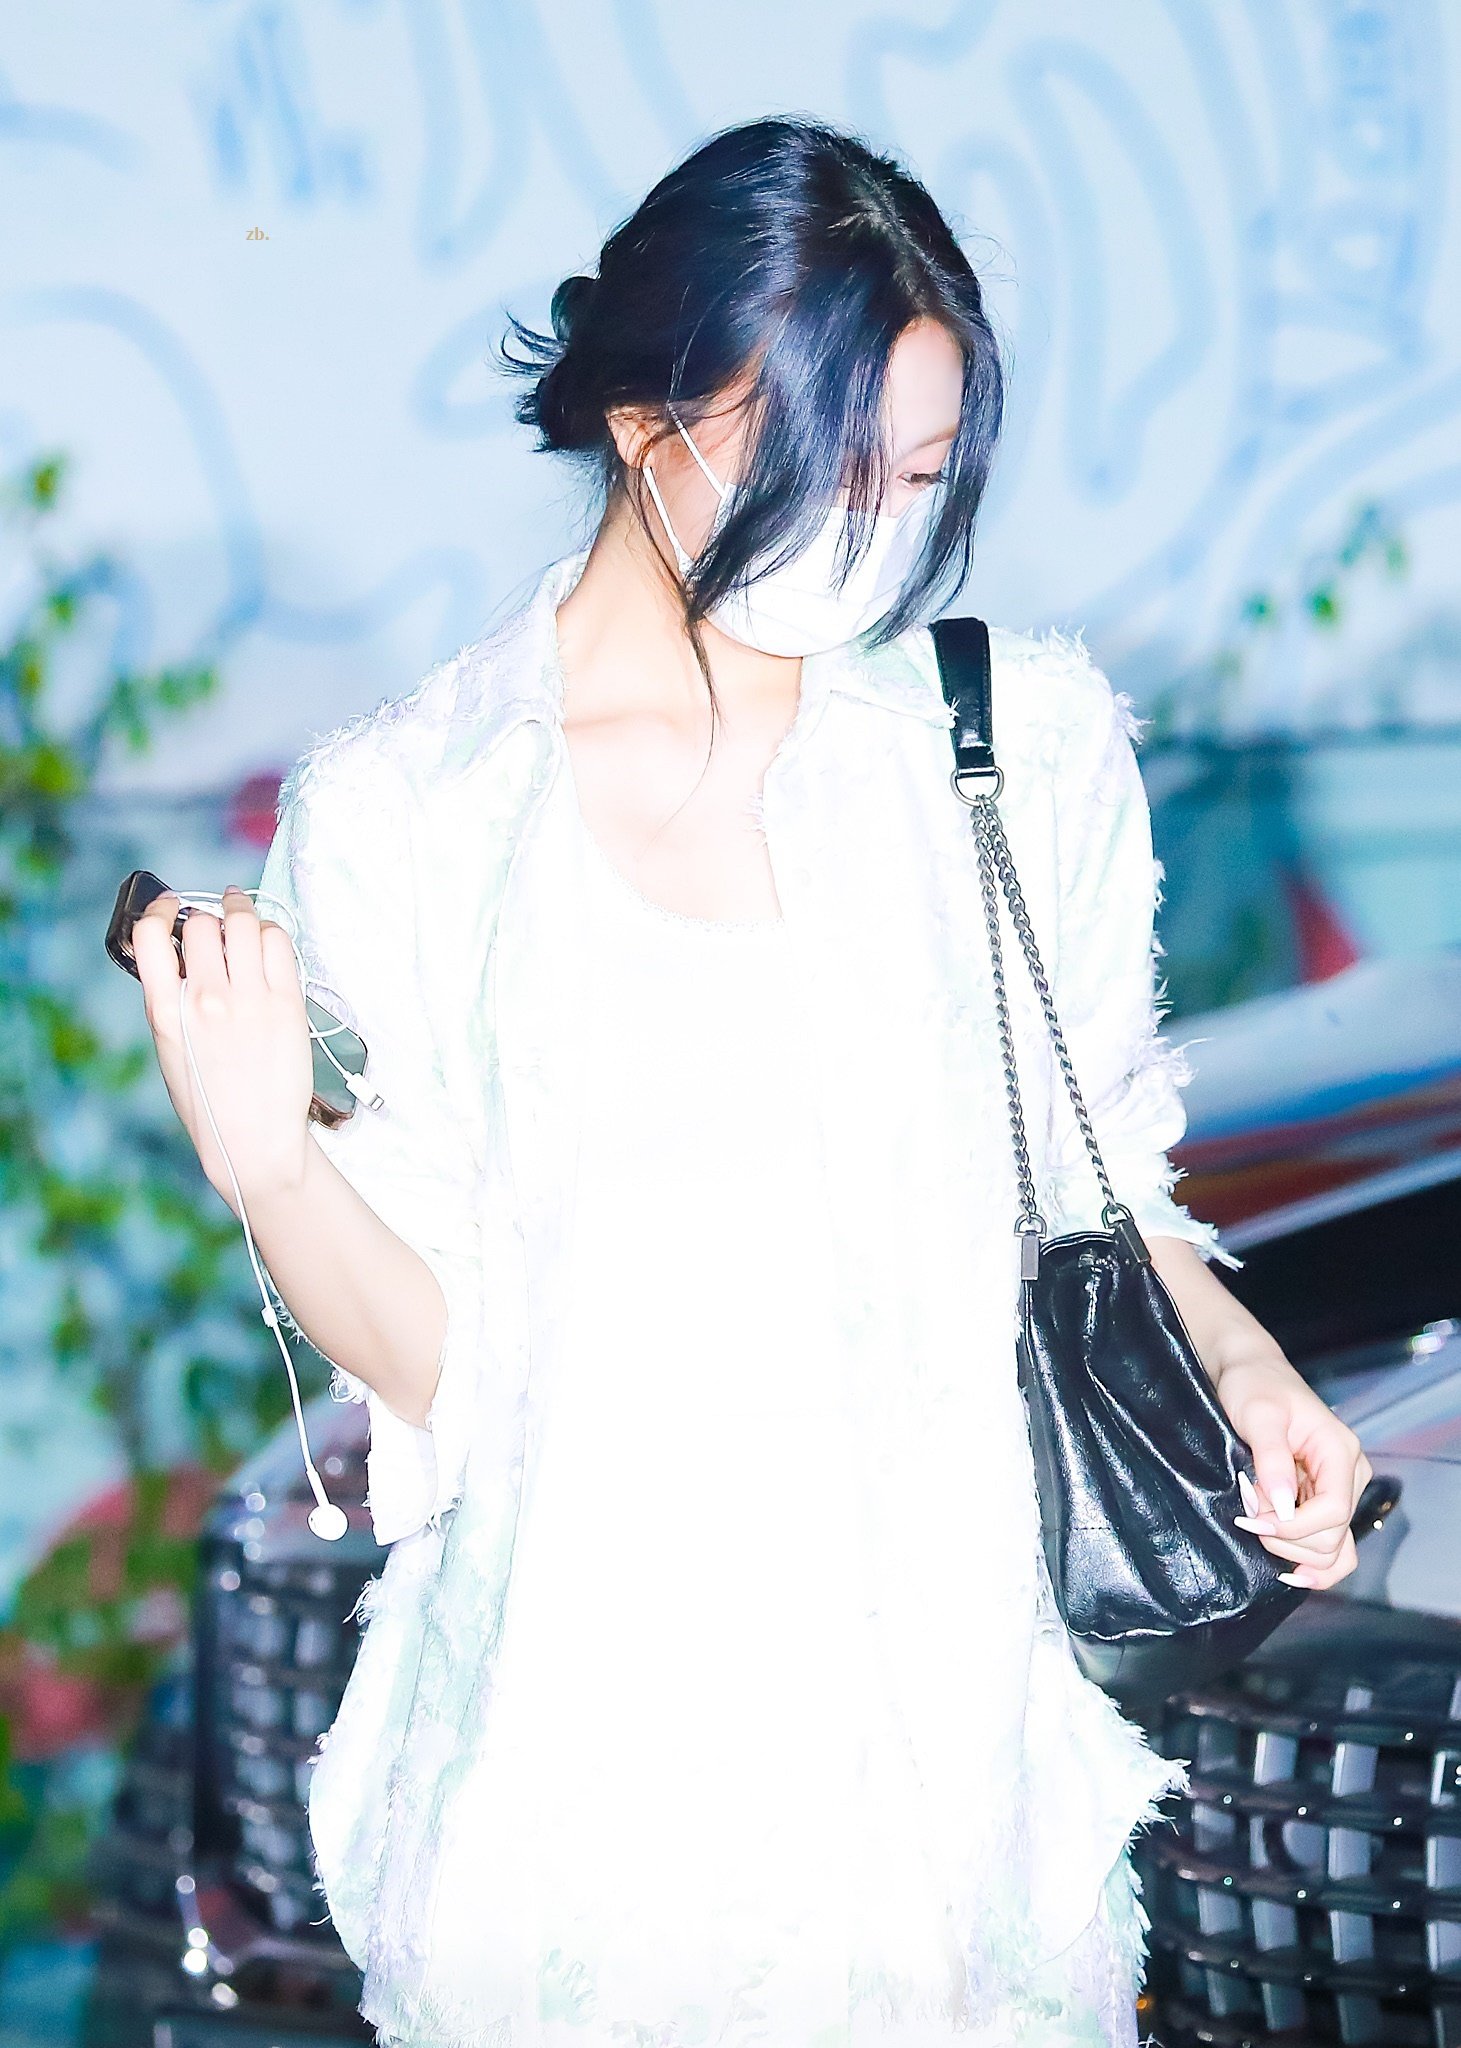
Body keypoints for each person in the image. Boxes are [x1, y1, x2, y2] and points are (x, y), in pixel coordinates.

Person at [134, 116, 1370, 2048]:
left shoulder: (1002, 745)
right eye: (829, 465)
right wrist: (270, 1168)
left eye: (921, 475)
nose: (874, 522)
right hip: (579, 1814)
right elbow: (453, 1369)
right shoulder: (416, 811)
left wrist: (1250, 1371)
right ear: (647, 423)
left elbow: (1093, 1188)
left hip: (946, 1802)